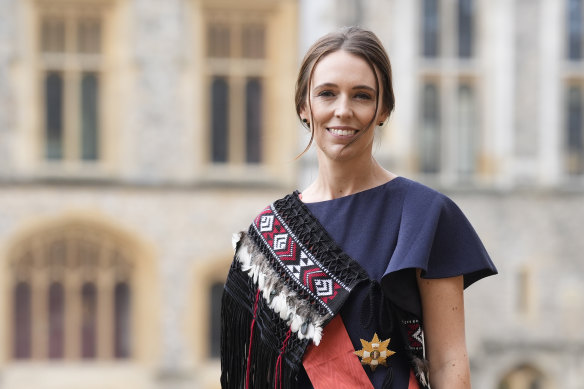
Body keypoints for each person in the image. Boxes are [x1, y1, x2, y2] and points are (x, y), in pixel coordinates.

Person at [220, 26, 497, 389]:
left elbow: (448, 362)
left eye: (362, 96)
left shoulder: (424, 215)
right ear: (305, 108)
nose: (343, 110)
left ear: (383, 109)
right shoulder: (269, 231)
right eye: (327, 94)